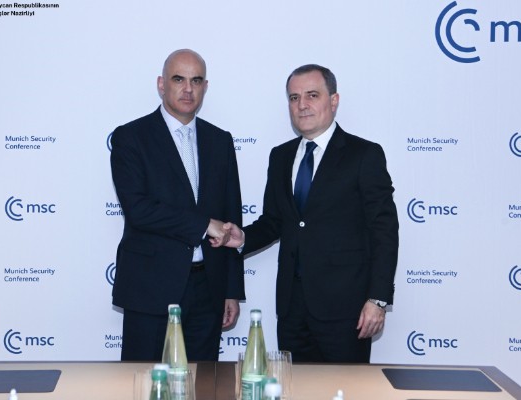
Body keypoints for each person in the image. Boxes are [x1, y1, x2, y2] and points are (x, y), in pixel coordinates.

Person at [219, 64, 399, 363]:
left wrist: (377, 300)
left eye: (312, 95)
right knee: (295, 386)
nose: (302, 105)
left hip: (347, 310)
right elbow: (275, 222)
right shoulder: (280, 156)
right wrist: (243, 238)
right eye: (294, 97)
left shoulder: (364, 155)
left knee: (345, 388)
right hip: (292, 309)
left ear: (334, 100)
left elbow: (385, 231)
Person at [110, 49, 244, 361]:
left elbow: (231, 217)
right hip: (150, 287)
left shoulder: (220, 140)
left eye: (196, 81)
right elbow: (139, 210)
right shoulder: (131, 137)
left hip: (208, 289)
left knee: (201, 382)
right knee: (145, 380)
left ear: (205, 87)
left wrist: (231, 291)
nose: (188, 89)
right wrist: (203, 225)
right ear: (161, 84)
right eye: (178, 79)